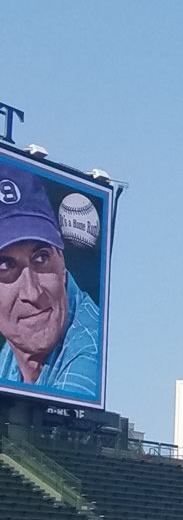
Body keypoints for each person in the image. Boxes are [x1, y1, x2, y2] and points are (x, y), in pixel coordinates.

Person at [0, 171, 103, 399]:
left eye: (41, 258)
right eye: (5, 266)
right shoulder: (10, 352)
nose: (33, 293)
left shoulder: (90, 357)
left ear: (62, 262)